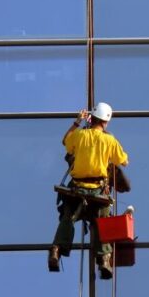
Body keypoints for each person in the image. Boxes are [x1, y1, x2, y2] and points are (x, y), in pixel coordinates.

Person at [48, 102, 129, 279]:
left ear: (91, 118)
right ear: (106, 122)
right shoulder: (109, 140)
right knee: (103, 222)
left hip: (76, 188)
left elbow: (65, 142)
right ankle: (104, 260)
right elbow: (123, 160)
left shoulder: (79, 135)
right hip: (97, 191)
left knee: (68, 218)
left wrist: (77, 122)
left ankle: (56, 250)